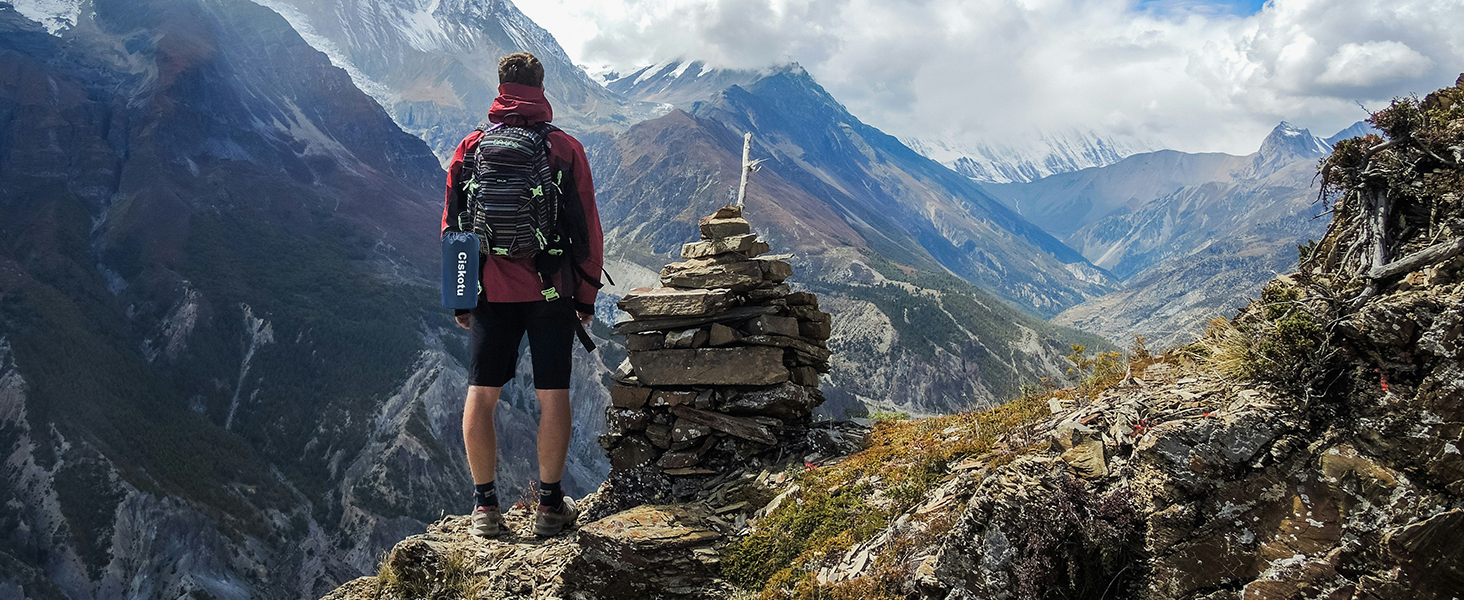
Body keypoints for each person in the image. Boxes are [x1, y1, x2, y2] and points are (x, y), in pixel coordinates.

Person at [440, 52, 604, 537]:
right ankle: (550, 507)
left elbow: (453, 227)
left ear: (500, 87)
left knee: (482, 394)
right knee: (553, 396)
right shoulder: (565, 149)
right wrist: (586, 296)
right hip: (551, 291)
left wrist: (462, 296)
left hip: (490, 292)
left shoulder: (470, 148)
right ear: (542, 86)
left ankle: (485, 508)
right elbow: (587, 229)